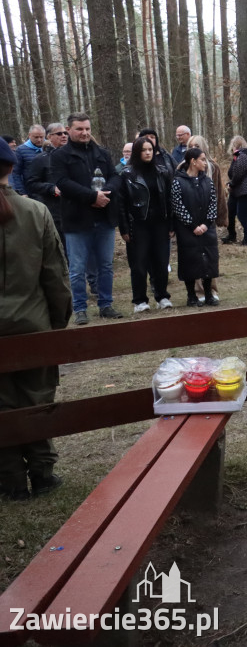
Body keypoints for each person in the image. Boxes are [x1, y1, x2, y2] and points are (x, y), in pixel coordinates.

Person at [0, 140, 72, 500]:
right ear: (11, 168)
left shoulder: (33, 210)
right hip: (33, 325)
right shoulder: (36, 212)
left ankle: (11, 480)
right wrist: (56, 326)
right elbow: (55, 277)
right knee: (36, 398)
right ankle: (42, 473)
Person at [50, 112, 122, 325]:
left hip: (104, 218)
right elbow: (62, 182)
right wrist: (92, 197)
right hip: (77, 220)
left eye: (87, 129)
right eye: (80, 129)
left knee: (106, 266)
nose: (84, 133)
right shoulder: (60, 156)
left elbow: (116, 177)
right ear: (69, 130)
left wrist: (105, 194)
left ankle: (105, 305)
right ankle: (80, 309)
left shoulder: (102, 153)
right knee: (78, 268)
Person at [111, 137, 174, 313]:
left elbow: (169, 200)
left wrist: (171, 224)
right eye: (144, 150)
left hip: (160, 224)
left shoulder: (162, 171)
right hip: (137, 224)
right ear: (138, 152)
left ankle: (162, 296)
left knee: (161, 262)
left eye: (150, 149)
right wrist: (124, 228)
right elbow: (121, 203)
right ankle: (140, 300)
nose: (148, 152)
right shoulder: (127, 174)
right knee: (138, 264)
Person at [171, 148, 219, 306]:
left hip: (207, 229)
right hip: (187, 230)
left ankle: (208, 294)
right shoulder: (178, 182)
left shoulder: (207, 181)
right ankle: (191, 295)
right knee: (189, 261)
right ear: (193, 161)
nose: (205, 163)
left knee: (208, 261)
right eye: (202, 159)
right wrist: (192, 226)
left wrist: (206, 224)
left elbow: (213, 204)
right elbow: (178, 207)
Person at [226, 135, 247, 246]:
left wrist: (231, 183)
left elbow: (238, 174)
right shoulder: (239, 157)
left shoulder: (243, 157)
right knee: (234, 212)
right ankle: (234, 236)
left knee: (243, 215)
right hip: (239, 191)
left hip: (246, 191)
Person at [11, 124, 45, 195]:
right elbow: (16, 173)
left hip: (48, 189)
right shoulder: (21, 150)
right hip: (30, 191)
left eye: (41, 137)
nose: (39, 140)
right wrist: (22, 192)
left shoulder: (48, 148)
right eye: (36, 137)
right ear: (29, 135)